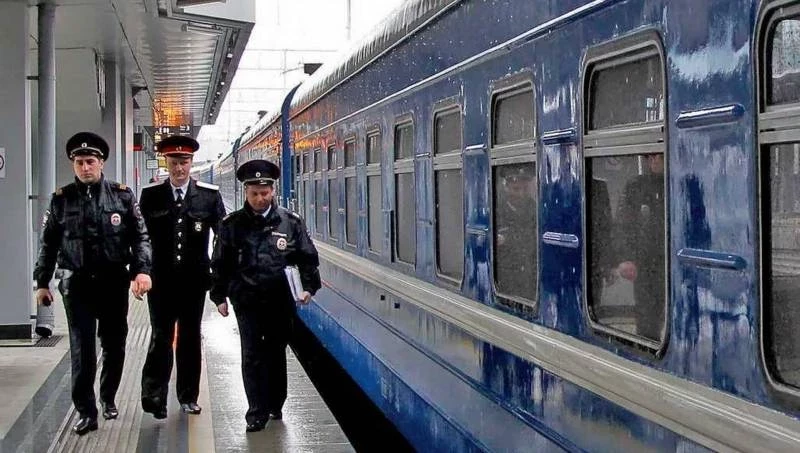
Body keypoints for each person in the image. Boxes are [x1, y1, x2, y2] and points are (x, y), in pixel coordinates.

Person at [33, 132, 152, 435]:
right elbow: (48, 244)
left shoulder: (122, 196)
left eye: (90, 161)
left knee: (114, 344)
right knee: (82, 349)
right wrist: (42, 282)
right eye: (79, 162)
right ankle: (86, 411)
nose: (85, 167)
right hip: (77, 285)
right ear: (73, 165)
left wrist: (141, 271)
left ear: (101, 163)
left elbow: (140, 237)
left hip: (112, 282)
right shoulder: (61, 200)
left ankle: (108, 397)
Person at [210, 159, 321, 432]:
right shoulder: (232, 224)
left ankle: (275, 403)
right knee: (251, 355)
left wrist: (309, 287)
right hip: (246, 300)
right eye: (254, 194)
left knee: (275, 353)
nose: (260, 199)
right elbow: (221, 262)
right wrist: (219, 295)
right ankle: (255, 412)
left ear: (273, 191)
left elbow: (307, 257)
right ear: (246, 192)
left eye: (265, 193)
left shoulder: (290, 222)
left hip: (279, 300)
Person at [139, 135, 225, 419]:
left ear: (191, 163)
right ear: (166, 162)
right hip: (161, 281)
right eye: (174, 162)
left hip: (193, 281)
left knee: (190, 338)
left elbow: (222, 238)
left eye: (184, 162)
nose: (179, 168)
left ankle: (188, 396)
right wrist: (140, 271)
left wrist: (217, 274)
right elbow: (141, 237)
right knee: (160, 336)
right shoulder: (151, 195)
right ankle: (155, 397)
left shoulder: (209, 196)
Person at [615, 153, 666, 341]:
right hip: (646, 262)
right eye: (650, 157)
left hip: (670, 259)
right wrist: (626, 257)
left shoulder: (679, 183)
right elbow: (623, 224)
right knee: (647, 313)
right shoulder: (636, 186)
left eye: (658, 157)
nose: (654, 161)